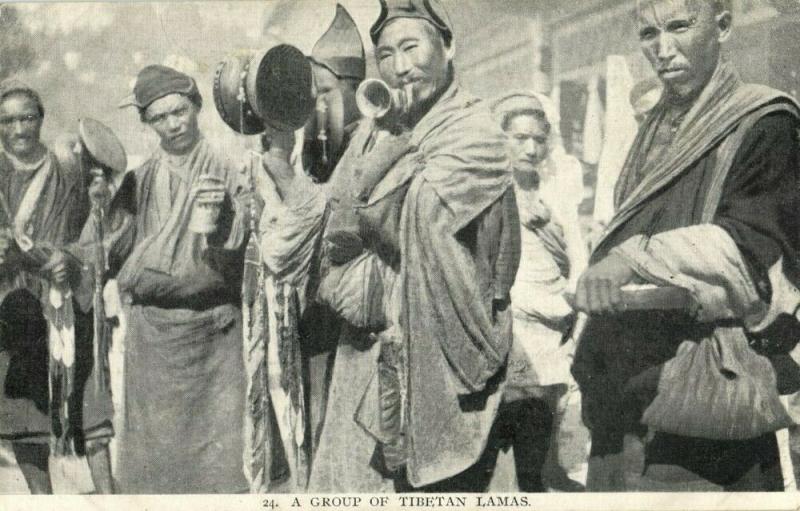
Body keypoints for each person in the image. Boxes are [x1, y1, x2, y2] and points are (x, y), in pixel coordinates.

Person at [257, 0, 520, 492]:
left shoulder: (474, 135)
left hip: (441, 364)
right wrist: (285, 173)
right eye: (385, 54)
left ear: (448, 46)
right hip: (364, 359)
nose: (399, 67)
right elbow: (332, 222)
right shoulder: (379, 131)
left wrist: (387, 153)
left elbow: (402, 221)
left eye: (410, 47)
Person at [571, 0, 800, 491]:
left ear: (722, 24)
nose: (663, 49)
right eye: (649, 34)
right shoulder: (655, 121)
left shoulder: (763, 119)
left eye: (679, 26)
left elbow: (749, 247)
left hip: (702, 387)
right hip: (623, 378)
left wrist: (627, 261)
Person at [70, 65, 250, 493]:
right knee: (155, 465)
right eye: (159, 117)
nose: (173, 124)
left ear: (197, 107)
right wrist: (99, 206)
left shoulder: (229, 170)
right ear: (147, 124)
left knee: (217, 465)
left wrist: (224, 216)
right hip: (153, 341)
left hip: (214, 336)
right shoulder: (139, 180)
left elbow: (246, 240)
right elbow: (101, 251)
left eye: (180, 111)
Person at [241, 4, 368, 491]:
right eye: (310, 95)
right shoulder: (321, 149)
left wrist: (283, 177)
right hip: (315, 329)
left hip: (357, 333)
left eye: (326, 93)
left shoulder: (370, 143)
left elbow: (333, 222)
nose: (316, 106)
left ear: (355, 87)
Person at [0, 79, 115, 494]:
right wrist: (32, 260)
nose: (18, 129)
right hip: (14, 308)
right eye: (8, 120)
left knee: (88, 404)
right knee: (25, 416)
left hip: (67, 302)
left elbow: (93, 234)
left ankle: (110, 498)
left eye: (27, 117)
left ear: (41, 119)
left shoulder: (69, 169)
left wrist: (68, 259)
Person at [489, 91, 588, 492]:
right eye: (519, 137)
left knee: (541, 447)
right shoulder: (490, 194)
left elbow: (579, 261)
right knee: (503, 450)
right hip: (511, 334)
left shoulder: (558, 196)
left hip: (554, 334)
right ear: (502, 140)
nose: (531, 148)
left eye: (539, 138)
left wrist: (573, 313)